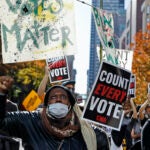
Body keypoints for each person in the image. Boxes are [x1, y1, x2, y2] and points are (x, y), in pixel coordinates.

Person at [0, 76, 110, 150]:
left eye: (63, 97)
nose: (58, 99)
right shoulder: (30, 122)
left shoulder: (92, 135)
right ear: (47, 104)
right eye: (53, 97)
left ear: (70, 104)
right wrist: (1, 94)